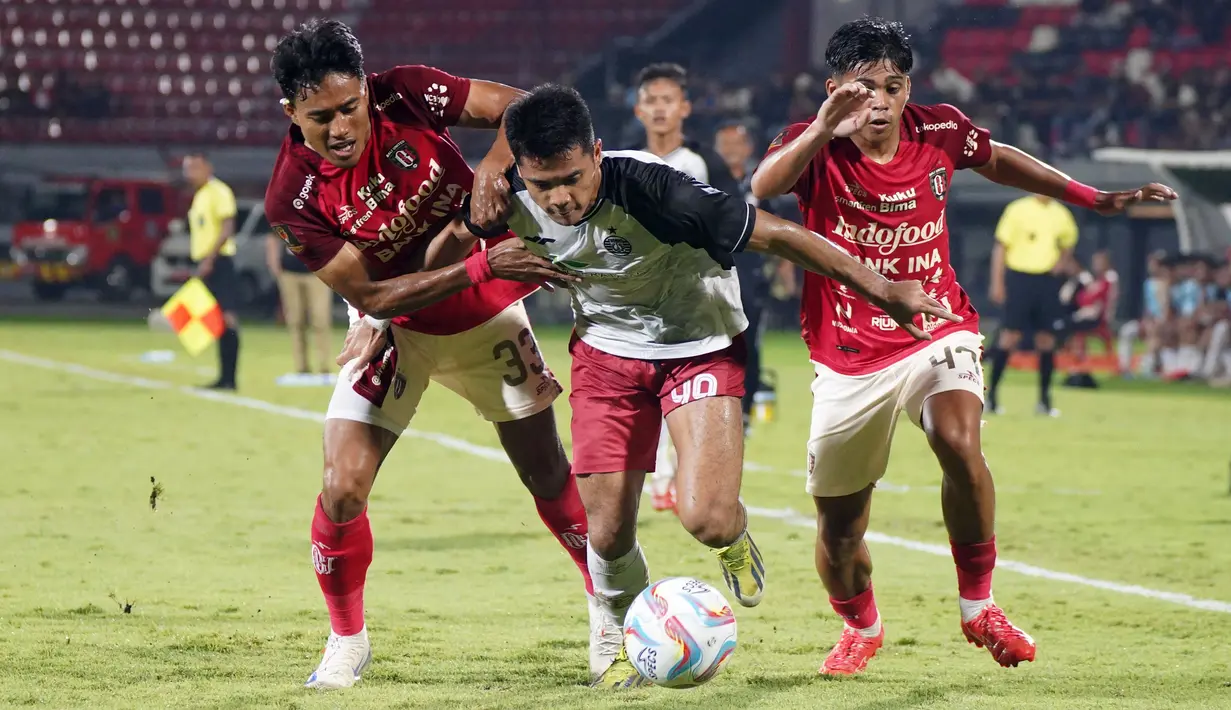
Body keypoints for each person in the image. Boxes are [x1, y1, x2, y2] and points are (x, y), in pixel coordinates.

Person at [468, 83, 956, 688]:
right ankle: (620, 631)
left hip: (699, 345)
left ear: (596, 153)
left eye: (572, 177)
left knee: (707, 518)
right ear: (521, 171)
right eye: (545, 186)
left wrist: (884, 290)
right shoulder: (500, 197)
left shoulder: (656, 189)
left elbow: (778, 234)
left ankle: (732, 540)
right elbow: (440, 247)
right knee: (606, 529)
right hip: (605, 356)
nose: (561, 199)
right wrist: (383, 318)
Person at [750, 17, 1176, 676]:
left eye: (892, 86)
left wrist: (1090, 197)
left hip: (934, 325)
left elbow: (998, 157)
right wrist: (818, 126)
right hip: (847, 355)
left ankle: (978, 606)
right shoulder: (813, 150)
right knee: (839, 532)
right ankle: (860, 624)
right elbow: (762, 188)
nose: (881, 102)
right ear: (835, 90)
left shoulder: (938, 129)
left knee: (958, 440)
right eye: (863, 89)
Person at [264, 19, 597, 690]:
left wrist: (495, 170)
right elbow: (375, 296)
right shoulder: (291, 198)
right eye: (318, 116)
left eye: (348, 107)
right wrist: (475, 259)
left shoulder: (406, 94)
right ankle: (346, 640)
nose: (339, 127)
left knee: (544, 473)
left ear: (365, 89)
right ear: (290, 113)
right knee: (341, 488)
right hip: (396, 329)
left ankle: (610, 612)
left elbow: (522, 110)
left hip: (484, 317)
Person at [629, 62, 740, 513]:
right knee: (646, 389)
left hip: (698, 300)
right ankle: (660, 481)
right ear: (638, 110)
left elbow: (733, 220)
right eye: (651, 100)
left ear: (685, 107)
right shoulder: (623, 162)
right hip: (641, 298)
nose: (659, 109)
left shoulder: (704, 163)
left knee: (694, 392)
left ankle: (689, 477)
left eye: (667, 100)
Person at [985, 193, 1081, 416]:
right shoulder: (1017, 209)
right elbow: (1001, 248)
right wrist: (997, 282)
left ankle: (1044, 402)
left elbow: (1068, 244)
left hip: (1046, 281)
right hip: (1019, 278)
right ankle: (991, 398)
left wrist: (1060, 264)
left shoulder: (1061, 213)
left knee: (1046, 340)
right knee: (1010, 336)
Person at [183, 152, 241, 390]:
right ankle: (223, 377)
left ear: (207, 167)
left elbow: (227, 227)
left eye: (194, 167)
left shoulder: (219, 191)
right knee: (215, 319)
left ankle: (230, 378)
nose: (189, 174)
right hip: (208, 262)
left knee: (228, 318)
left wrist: (209, 258)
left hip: (220, 261)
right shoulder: (200, 195)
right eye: (187, 169)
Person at [266, 225, 336, 375]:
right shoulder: (282, 207)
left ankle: (324, 365)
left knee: (320, 318)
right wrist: (274, 264)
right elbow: (272, 235)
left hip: (317, 272)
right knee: (295, 320)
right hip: (289, 272)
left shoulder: (317, 207)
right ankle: (302, 366)